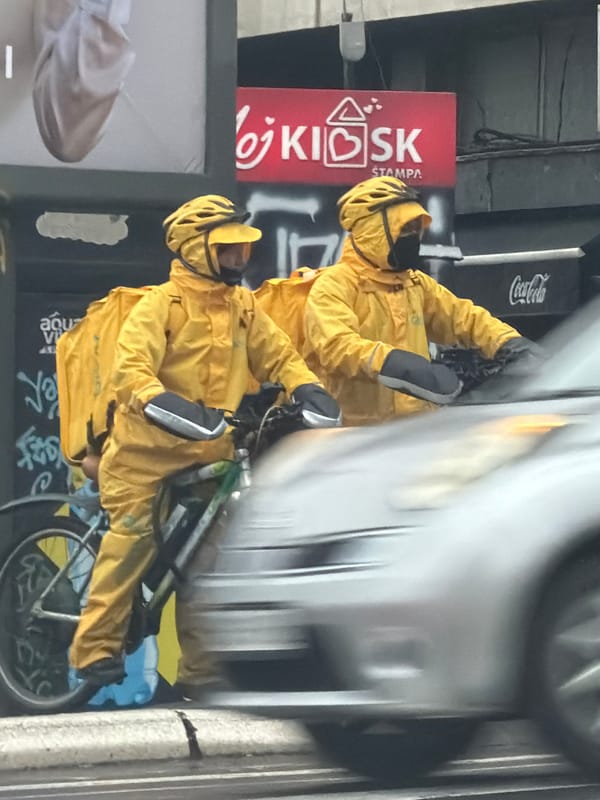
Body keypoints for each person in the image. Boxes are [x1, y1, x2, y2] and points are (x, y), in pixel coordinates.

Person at [69, 194, 341, 697]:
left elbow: (278, 354)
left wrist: (305, 387)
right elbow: (132, 372)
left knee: (208, 564)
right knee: (131, 543)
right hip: (144, 455)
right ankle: (95, 650)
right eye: (228, 249)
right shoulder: (159, 306)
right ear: (197, 249)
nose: (239, 258)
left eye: (243, 248)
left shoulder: (242, 306)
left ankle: (201, 673)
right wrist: (163, 403)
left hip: (209, 453)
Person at [303, 177, 540, 426]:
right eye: (404, 228)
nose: (414, 236)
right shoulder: (334, 285)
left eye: (417, 228)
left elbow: (463, 317)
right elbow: (335, 346)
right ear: (373, 232)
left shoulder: (415, 283)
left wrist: (509, 343)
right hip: (358, 434)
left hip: (417, 431)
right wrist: (391, 362)